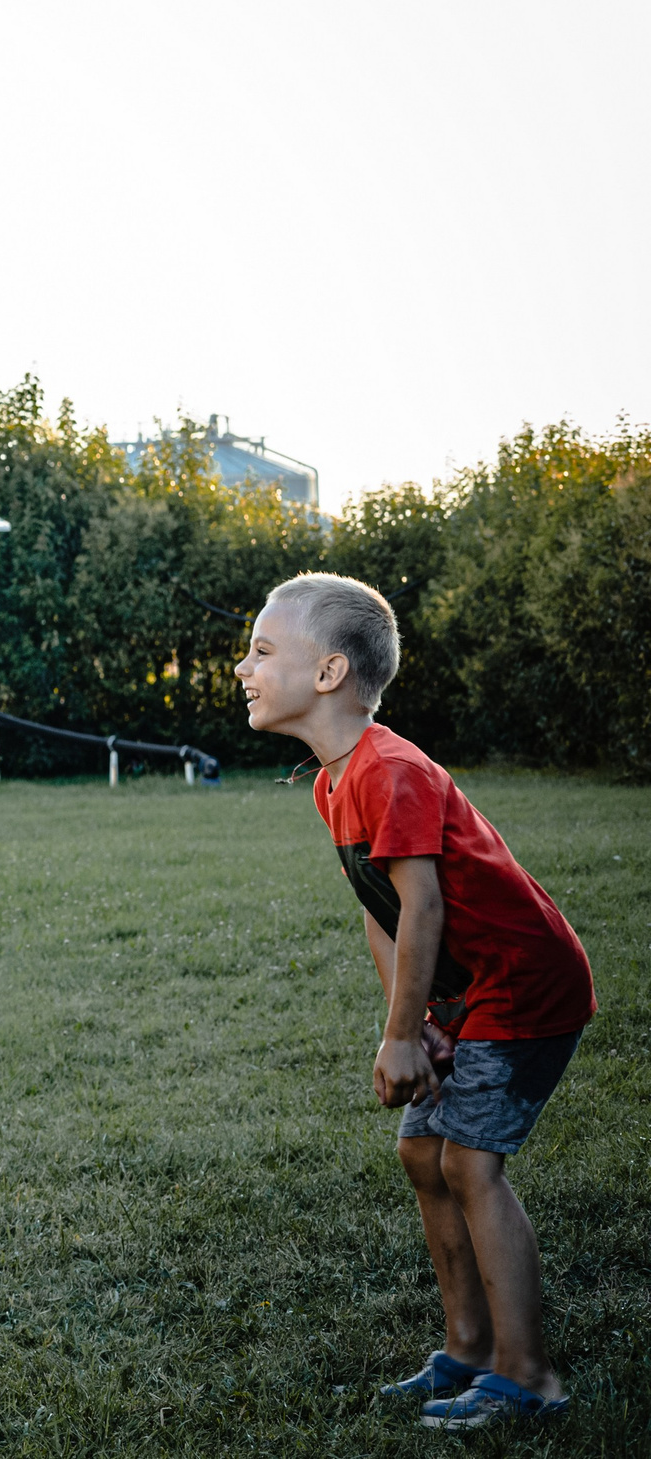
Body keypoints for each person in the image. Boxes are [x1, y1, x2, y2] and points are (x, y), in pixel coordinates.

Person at [233, 573, 593, 1430]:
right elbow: (382, 909)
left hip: (525, 981)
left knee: (470, 1161)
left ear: (327, 674)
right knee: (423, 1155)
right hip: (465, 993)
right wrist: (418, 1023)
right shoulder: (333, 780)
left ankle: (527, 1376)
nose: (243, 665)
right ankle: (466, 1348)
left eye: (261, 649)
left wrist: (402, 1036)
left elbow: (426, 903)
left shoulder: (390, 770)